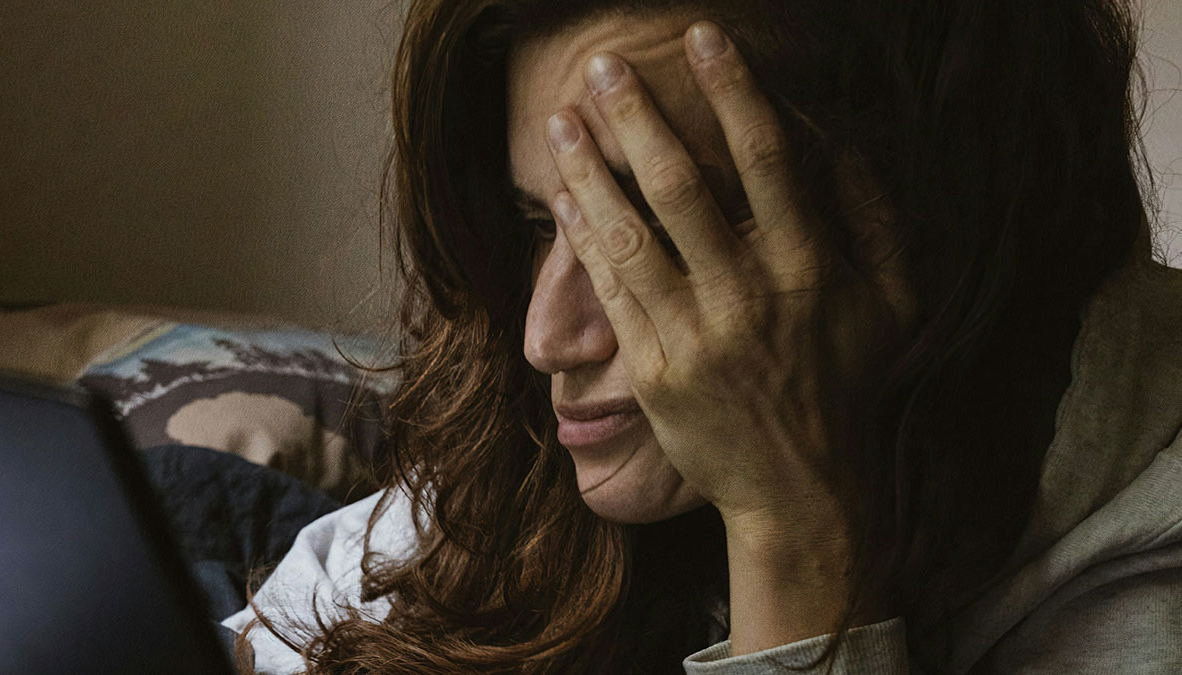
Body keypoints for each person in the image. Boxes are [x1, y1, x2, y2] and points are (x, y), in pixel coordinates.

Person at [222, 0, 1182, 672]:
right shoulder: (536, 457)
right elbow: (301, 619)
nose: (547, 339)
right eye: (539, 226)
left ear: (927, 219)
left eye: (662, 230)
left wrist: (789, 526)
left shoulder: (1144, 554)